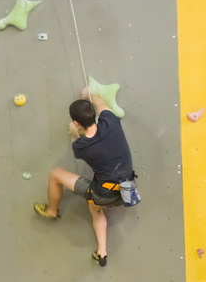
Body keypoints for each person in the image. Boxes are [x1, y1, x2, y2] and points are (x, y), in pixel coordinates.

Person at [33, 89, 136, 267]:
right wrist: (89, 94)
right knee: (94, 208)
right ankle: (102, 252)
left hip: (104, 193)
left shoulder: (83, 146)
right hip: (127, 188)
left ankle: (51, 211)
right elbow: (102, 103)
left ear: (76, 122)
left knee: (56, 174)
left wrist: (74, 132)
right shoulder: (111, 121)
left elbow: (76, 142)